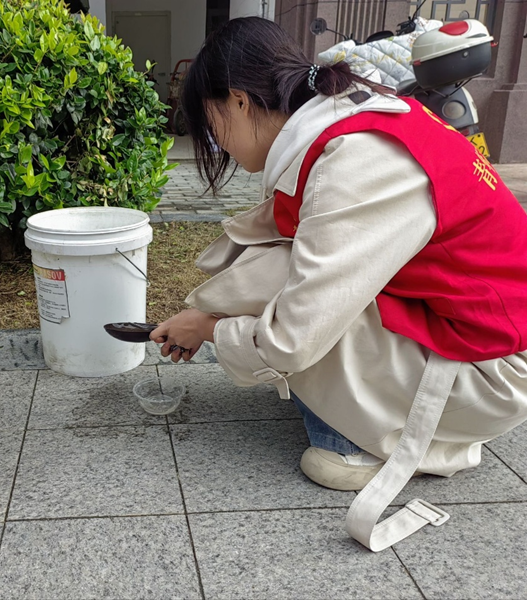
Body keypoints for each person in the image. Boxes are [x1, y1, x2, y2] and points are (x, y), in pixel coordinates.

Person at [149, 17, 527, 549]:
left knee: (303, 308)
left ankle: (371, 443)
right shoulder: (350, 120)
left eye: (211, 125)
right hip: (465, 332)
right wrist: (208, 312)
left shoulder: (356, 159)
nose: (218, 144)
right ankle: (364, 407)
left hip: (492, 372)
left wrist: (210, 328)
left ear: (238, 100)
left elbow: (294, 336)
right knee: (293, 275)